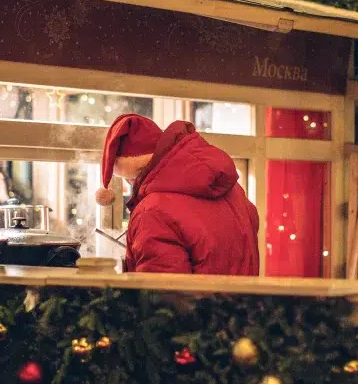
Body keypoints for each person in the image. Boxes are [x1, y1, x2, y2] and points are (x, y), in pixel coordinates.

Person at [95, 114, 260, 275]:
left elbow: (162, 295)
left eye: (128, 179)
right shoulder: (234, 191)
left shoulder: (152, 212)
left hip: (200, 303)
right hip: (245, 301)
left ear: (136, 173)